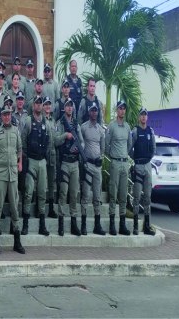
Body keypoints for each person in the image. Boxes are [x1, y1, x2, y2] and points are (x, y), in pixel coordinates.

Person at [0, 106, 25, 255]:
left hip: (13, 173)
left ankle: (17, 241)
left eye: (9, 114)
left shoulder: (16, 130)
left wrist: (19, 162)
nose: (7, 117)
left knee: (15, 207)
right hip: (2, 173)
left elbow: (20, 148)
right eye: (4, 114)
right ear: (1, 116)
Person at [21, 96, 51, 236]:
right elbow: (22, 141)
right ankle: (25, 224)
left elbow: (49, 141)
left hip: (42, 162)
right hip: (31, 160)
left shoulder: (46, 122)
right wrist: (25, 159)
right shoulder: (28, 121)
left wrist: (46, 157)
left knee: (41, 193)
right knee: (28, 193)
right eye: (37, 103)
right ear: (33, 105)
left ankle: (42, 225)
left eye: (41, 103)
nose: (39, 106)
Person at [55, 98, 84, 236]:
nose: (69, 108)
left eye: (71, 106)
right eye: (67, 106)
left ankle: (73, 223)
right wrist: (65, 135)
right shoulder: (60, 123)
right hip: (65, 162)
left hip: (75, 163)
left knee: (74, 193)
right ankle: (61, 222)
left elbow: (82, 142)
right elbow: (55, 140)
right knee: (63, 192)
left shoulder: (76, 125)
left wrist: (78, 148)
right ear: (64, 108)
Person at [105, 100, 133, 236]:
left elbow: (129, 145)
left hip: (124, 163)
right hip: (115, 163)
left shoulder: (127, 127)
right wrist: (113, 156)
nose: (122, 110)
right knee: (113, 193)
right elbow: (106, 145)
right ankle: (112, 224)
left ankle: (122, 225)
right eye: (120, 108)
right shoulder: (111, 126)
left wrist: (123, 156)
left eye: (124, 108)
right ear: (117, 110)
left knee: (123, 194)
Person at [80, 103, 107, 236]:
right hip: (87, 165)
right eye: (92, 111)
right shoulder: (84, 127)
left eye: (96, 111)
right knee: (85, 195)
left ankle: (97, 224)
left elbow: (103, 148)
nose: (94, 113)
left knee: (97, 196)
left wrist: (100, 158)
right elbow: (81, 145)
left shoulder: (101, 129)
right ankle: (83, 225)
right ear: (89, 112)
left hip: (97, 167)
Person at [131, 107, 157, 236]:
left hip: (147, 166)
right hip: (138, 166)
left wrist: (147, 159)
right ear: (139, 117)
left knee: (147, 197)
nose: (143, 117)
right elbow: (130, 148)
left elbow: (153, 148)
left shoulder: (150, 131)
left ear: (147, 117)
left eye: (145, 115)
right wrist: (135, 159)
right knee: (136, 196)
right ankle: (135, 226)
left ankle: (147, 225)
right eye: (141, 115)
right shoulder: (135, 131)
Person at [42, 97, 59, 218]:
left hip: (52, 155)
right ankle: (40, 207)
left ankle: (51, 208)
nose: (47, 106)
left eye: (49, 104)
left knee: (51, 183)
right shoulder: (40, 120)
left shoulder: (54, 122)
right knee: (42, 183)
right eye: (45, 104)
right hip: (42, 155)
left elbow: (57, 139)